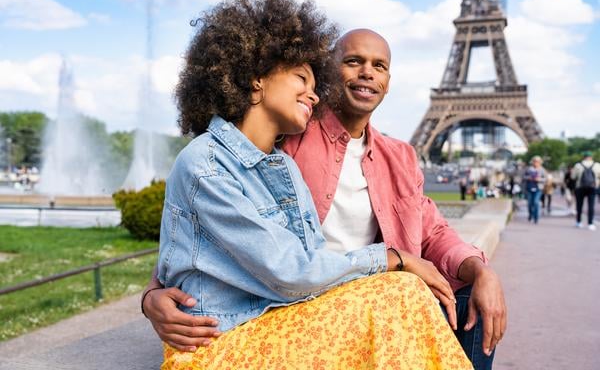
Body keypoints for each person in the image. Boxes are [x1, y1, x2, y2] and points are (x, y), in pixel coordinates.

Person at [144, 26, 506, 369]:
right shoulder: (286, 138)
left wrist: (481, 270)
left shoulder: (398, 157)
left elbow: (432, 230)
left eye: (378, 66)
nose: (367, 73)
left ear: (388, 81)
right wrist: (152, 295)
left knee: (467, 303)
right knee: (405, 296)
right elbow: (206, 238)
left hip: (343, 290)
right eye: (353, 62)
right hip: (306, 298)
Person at [571, 152, 600, 230]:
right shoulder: (597, 165)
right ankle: (590, 223)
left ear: (583, 157)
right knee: (591, 206)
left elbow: (573, 177)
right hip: (593, 187)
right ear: (591, 157)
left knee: (579, 205)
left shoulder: (578, 165)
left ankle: (578, 222)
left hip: (580, 187)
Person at [523, 156, 546, 224]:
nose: (536, 163)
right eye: (535, 161)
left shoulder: (542, 170)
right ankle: (530, 214)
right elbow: (523, 177)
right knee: (530, 203)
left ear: (540, 162)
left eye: (537, 162)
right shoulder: (529, 169)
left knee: (536, 202)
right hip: (530, 188)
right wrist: (528, 178)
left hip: (538, 188)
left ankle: (536, 218)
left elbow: (545, 179)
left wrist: (539, 179)